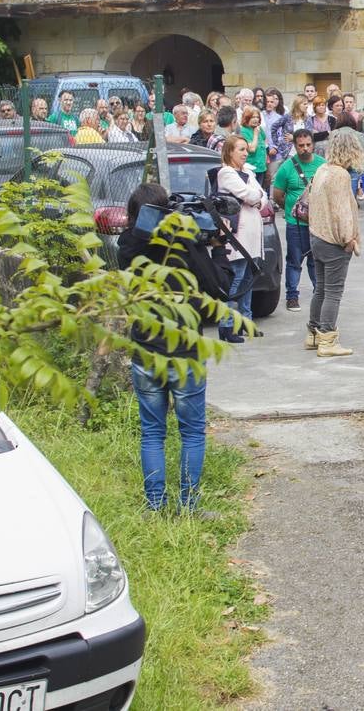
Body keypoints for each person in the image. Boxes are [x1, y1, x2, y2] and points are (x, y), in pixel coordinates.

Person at [116, 182, 213, 515]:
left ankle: (154, 504)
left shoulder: (127, 246)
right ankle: (189, 505)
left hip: (145, 348)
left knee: (152, 432)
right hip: (185, 350)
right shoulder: (182, 244)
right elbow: (219, 287)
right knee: (192, 432)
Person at [305, 128, 364, 356]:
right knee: (333, 292)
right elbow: (342, 213)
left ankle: (313, 333)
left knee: (320, 289)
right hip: (333, 241)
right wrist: (348, 239)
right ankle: (327, 340)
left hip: (317, 237)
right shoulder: (341, 175)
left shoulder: (322, 169)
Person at [216, 135, 266, 344]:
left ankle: (246, 321)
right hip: (237, 235)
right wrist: (255, 198)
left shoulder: (247, 171)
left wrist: (256, 198)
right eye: (241, 150)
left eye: (246, 149)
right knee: (234, 280)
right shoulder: (226, 172)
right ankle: (227, 325)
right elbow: (249, 195)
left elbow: (262, 197)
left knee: (248, 280)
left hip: (253, 233)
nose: (245, 153)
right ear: (229, 152)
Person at [271, 129, 323, 312]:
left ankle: (320, 294)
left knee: (316, 260)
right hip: (295, 224)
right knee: (294, 260)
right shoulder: (287, 167)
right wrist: (294, 209)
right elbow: (277, 195)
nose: (305, 149)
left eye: (308, 145)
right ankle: (292, 296)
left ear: (313, 144)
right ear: (295, 146)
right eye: (301, 146)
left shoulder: (322, 165)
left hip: (318, 223)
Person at [272, 96, 318, 164]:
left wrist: (294, 138)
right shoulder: (288, 117)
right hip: (289, 152)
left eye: (307, 104)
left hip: (304, 151)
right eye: (304, 104)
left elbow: (309, 135)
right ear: (298, 105)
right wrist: (278, 143)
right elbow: (273, 127)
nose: (307, 106)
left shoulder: (308, 118)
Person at [238, 104, 271, 191]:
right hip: (251, 168)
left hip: (261, 168)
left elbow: (264, 145)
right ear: (247, 118)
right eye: (253, 117)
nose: (256, 119)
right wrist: (255, 135)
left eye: (257, 117)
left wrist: (266, 165)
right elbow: (252, 149)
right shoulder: (243, 131)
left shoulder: (259, 129)